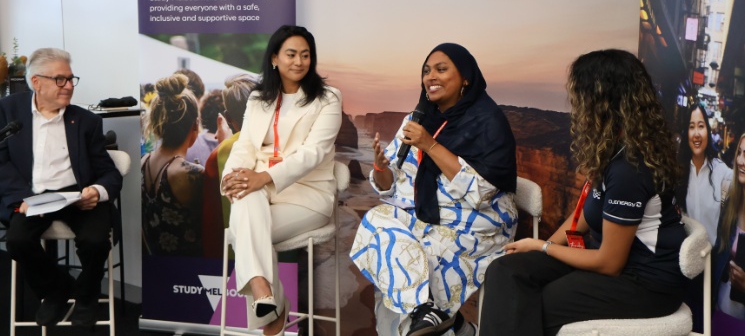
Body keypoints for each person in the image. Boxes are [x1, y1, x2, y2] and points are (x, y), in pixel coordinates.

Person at [479, 49, 688, 335]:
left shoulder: (629, 169)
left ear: (602, 102)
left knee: (529, 303)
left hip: (644, 283)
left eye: (580, 98)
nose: (576, 107)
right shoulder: (614, 149)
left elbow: (609, 263)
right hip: (615, 266)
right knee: (505, 271)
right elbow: (583, 218)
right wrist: (540, 252)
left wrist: (542, 247)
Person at [350, 43, 517, 336]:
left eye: (441, 69)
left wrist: (430, 144)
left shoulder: (487, 122)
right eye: (426, 71)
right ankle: (434, 316)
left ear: (465, 77)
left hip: (477, 226)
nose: (430, 77)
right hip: (424, 218)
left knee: (399, 279)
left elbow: (483, 193)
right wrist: (381, 169)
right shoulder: (417, 119)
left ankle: (430, 315)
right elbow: (390, 188)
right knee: (377, 221)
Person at [221, 25, 342, 336]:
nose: (299, 61)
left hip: (307, 195)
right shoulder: (259, 98)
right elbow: (244, 146)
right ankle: (265, 295)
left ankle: (270, 308)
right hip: (259, 192)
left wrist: (263, 177)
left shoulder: (328, 99)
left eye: (306, 55)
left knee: (246, 230)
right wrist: (231, 178)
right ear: (275, 58)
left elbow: (313, 153)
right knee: (245, 200)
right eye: (291, 54)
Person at [0, 47, 122, 327]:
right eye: (60, 80)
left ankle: (87, 296)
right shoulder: (8, 112)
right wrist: (23, 198)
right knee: (17, 241)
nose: (68, 86)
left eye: (70, 79)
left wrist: (97, 192)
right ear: (36, 82)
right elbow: (1, 161)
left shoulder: (87, 121)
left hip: (76, 195)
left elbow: (109, 173)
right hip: (32, 196)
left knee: (94, 240)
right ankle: (57, 290)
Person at [141, 73, 204, 256]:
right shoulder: (191, 174)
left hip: (156, 272)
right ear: (195, 125)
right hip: (189, 276)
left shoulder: (142, 162)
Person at [202, 74, 256, 258]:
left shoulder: (217, 156)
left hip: (232, 261)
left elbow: (211, 222)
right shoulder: (283, 145)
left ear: (228, 117)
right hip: (283, 261)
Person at [677, 103, 732, 246]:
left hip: (711, 260)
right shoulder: (679, 171)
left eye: (701, 126)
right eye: (691, 126)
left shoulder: (720, 170)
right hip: (684, 258)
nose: (696, 133)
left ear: (707, 131)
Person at [713, 132, 745, 323]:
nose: (742, 160)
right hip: (722, 313)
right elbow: (719, 255)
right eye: (740, 153)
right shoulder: (731, 204)